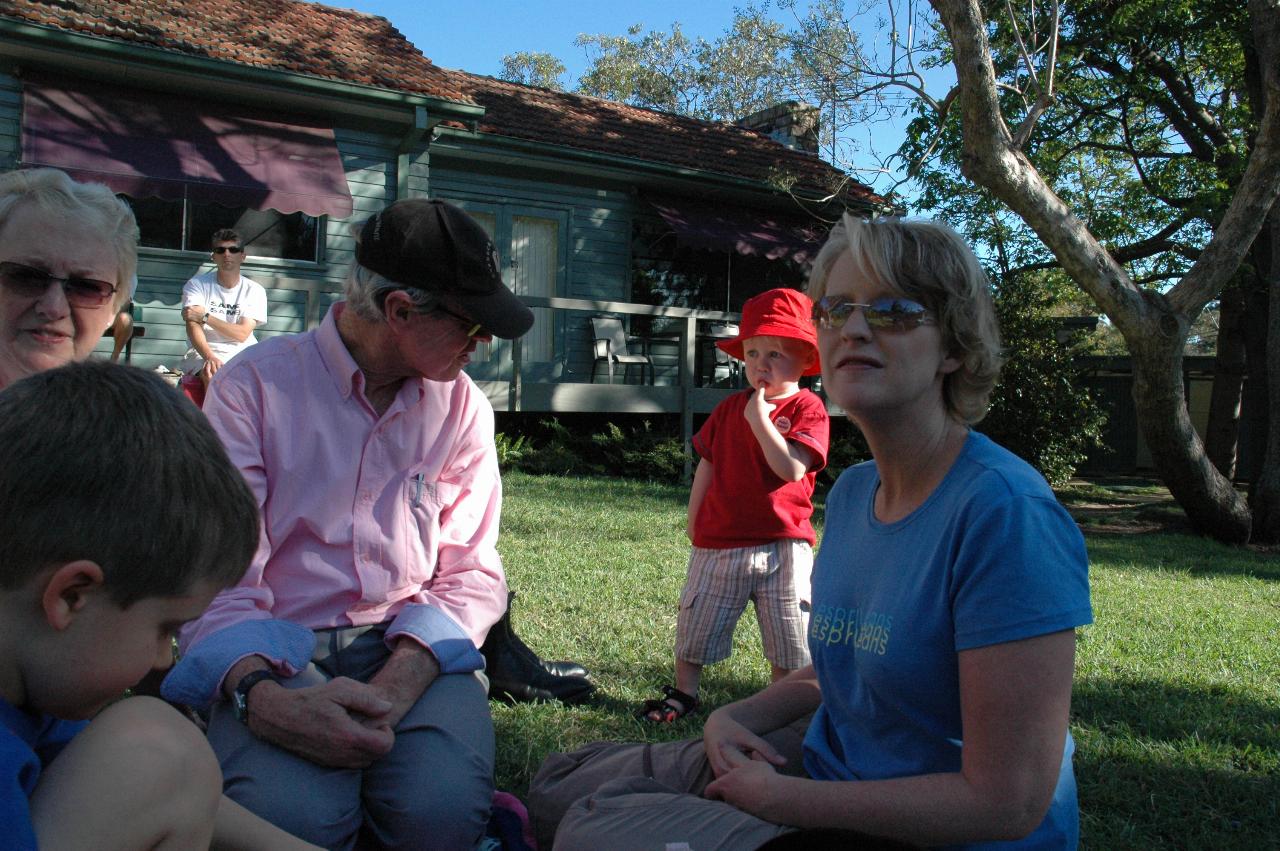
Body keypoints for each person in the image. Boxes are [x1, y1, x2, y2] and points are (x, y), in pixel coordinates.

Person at [528, 214, 1093, 850]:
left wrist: (787, 801)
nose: (853, 327)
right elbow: (846, 668)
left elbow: (1006, 803)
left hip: (923, 829)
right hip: (829, 762)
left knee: (591, 826)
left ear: (954, 346)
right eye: (837, 309)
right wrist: (733, 714)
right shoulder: (854, 494)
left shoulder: (1005, 517)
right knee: (560, 783)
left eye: (894, 310)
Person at [162, 197, 587, 850]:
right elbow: (217, 574)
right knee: (289, 823)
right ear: (399, 311)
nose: (482, 348)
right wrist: (262, 696)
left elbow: (471, 566)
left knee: (438, 816)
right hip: (277, 645)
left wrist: (405, 674)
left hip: (410, 640)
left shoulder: (463, 409)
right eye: (472, 327)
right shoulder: (254, 388)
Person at [0, 361, 325, 850]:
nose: (162, 659)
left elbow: (180, 786)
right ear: (72, 596)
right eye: (164, 628)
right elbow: (162, 769)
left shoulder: (34, 688)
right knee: (152, 741)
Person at [639, 287, 829, 723]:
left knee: (789, 630)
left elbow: (792, 470)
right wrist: (694, 520)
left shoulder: (808, 408)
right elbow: (707, 463)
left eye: (777, 353)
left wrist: (762, 422)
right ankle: (684, 692)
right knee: (697, 622)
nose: (762, 363)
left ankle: (783, 703)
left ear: (805, 359)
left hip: (784, 543)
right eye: (753, 351)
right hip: (721, 540)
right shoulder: (729, 409)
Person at [179, 228, 268, 406]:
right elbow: (192, 325)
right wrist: (209, 356)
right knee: (214, 373)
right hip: (204, 351)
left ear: (242, 256)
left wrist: (205, 316)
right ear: (213, 256)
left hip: (244, 351)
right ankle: (216, 428)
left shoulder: (254, 290)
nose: (227, 254)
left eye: (233, 250)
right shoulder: (196, 285)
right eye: (220, 250)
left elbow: (242, 334)